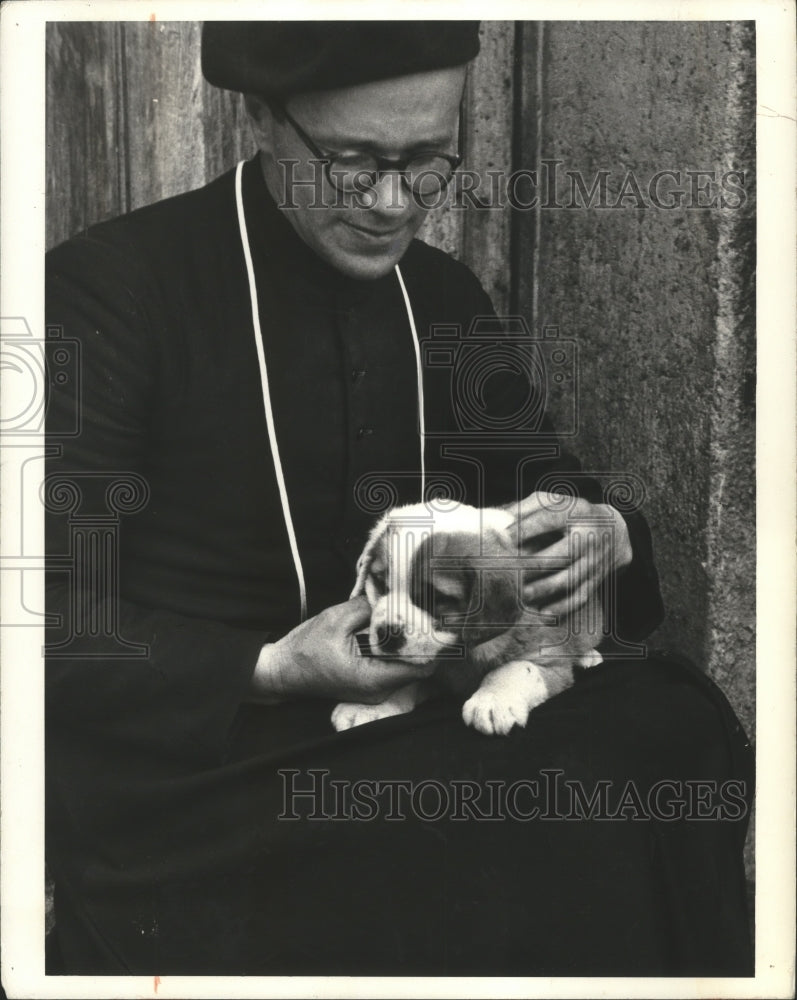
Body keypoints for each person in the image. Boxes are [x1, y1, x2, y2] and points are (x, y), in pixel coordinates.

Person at [44, 21, 753, 976]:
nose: (390, 204)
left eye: (426, 164)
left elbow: (547, 483)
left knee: (670, 723)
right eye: (350, 163)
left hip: (414, 706)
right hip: (210, 769)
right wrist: (273, 666)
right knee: (528, 805)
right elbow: (43, 616)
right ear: (261, 117)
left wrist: (600, 533)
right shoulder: (111, 290)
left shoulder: (443, 295)